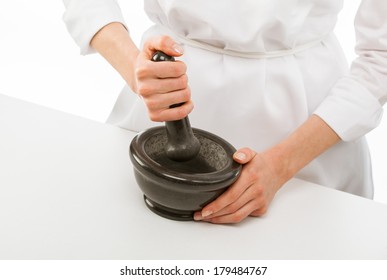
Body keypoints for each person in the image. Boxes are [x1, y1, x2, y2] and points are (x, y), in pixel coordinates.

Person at [62, 0, 387, 224]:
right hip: (157, 114)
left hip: (309, 149)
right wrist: (136, 69)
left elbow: (380, 59)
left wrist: (281, 165)